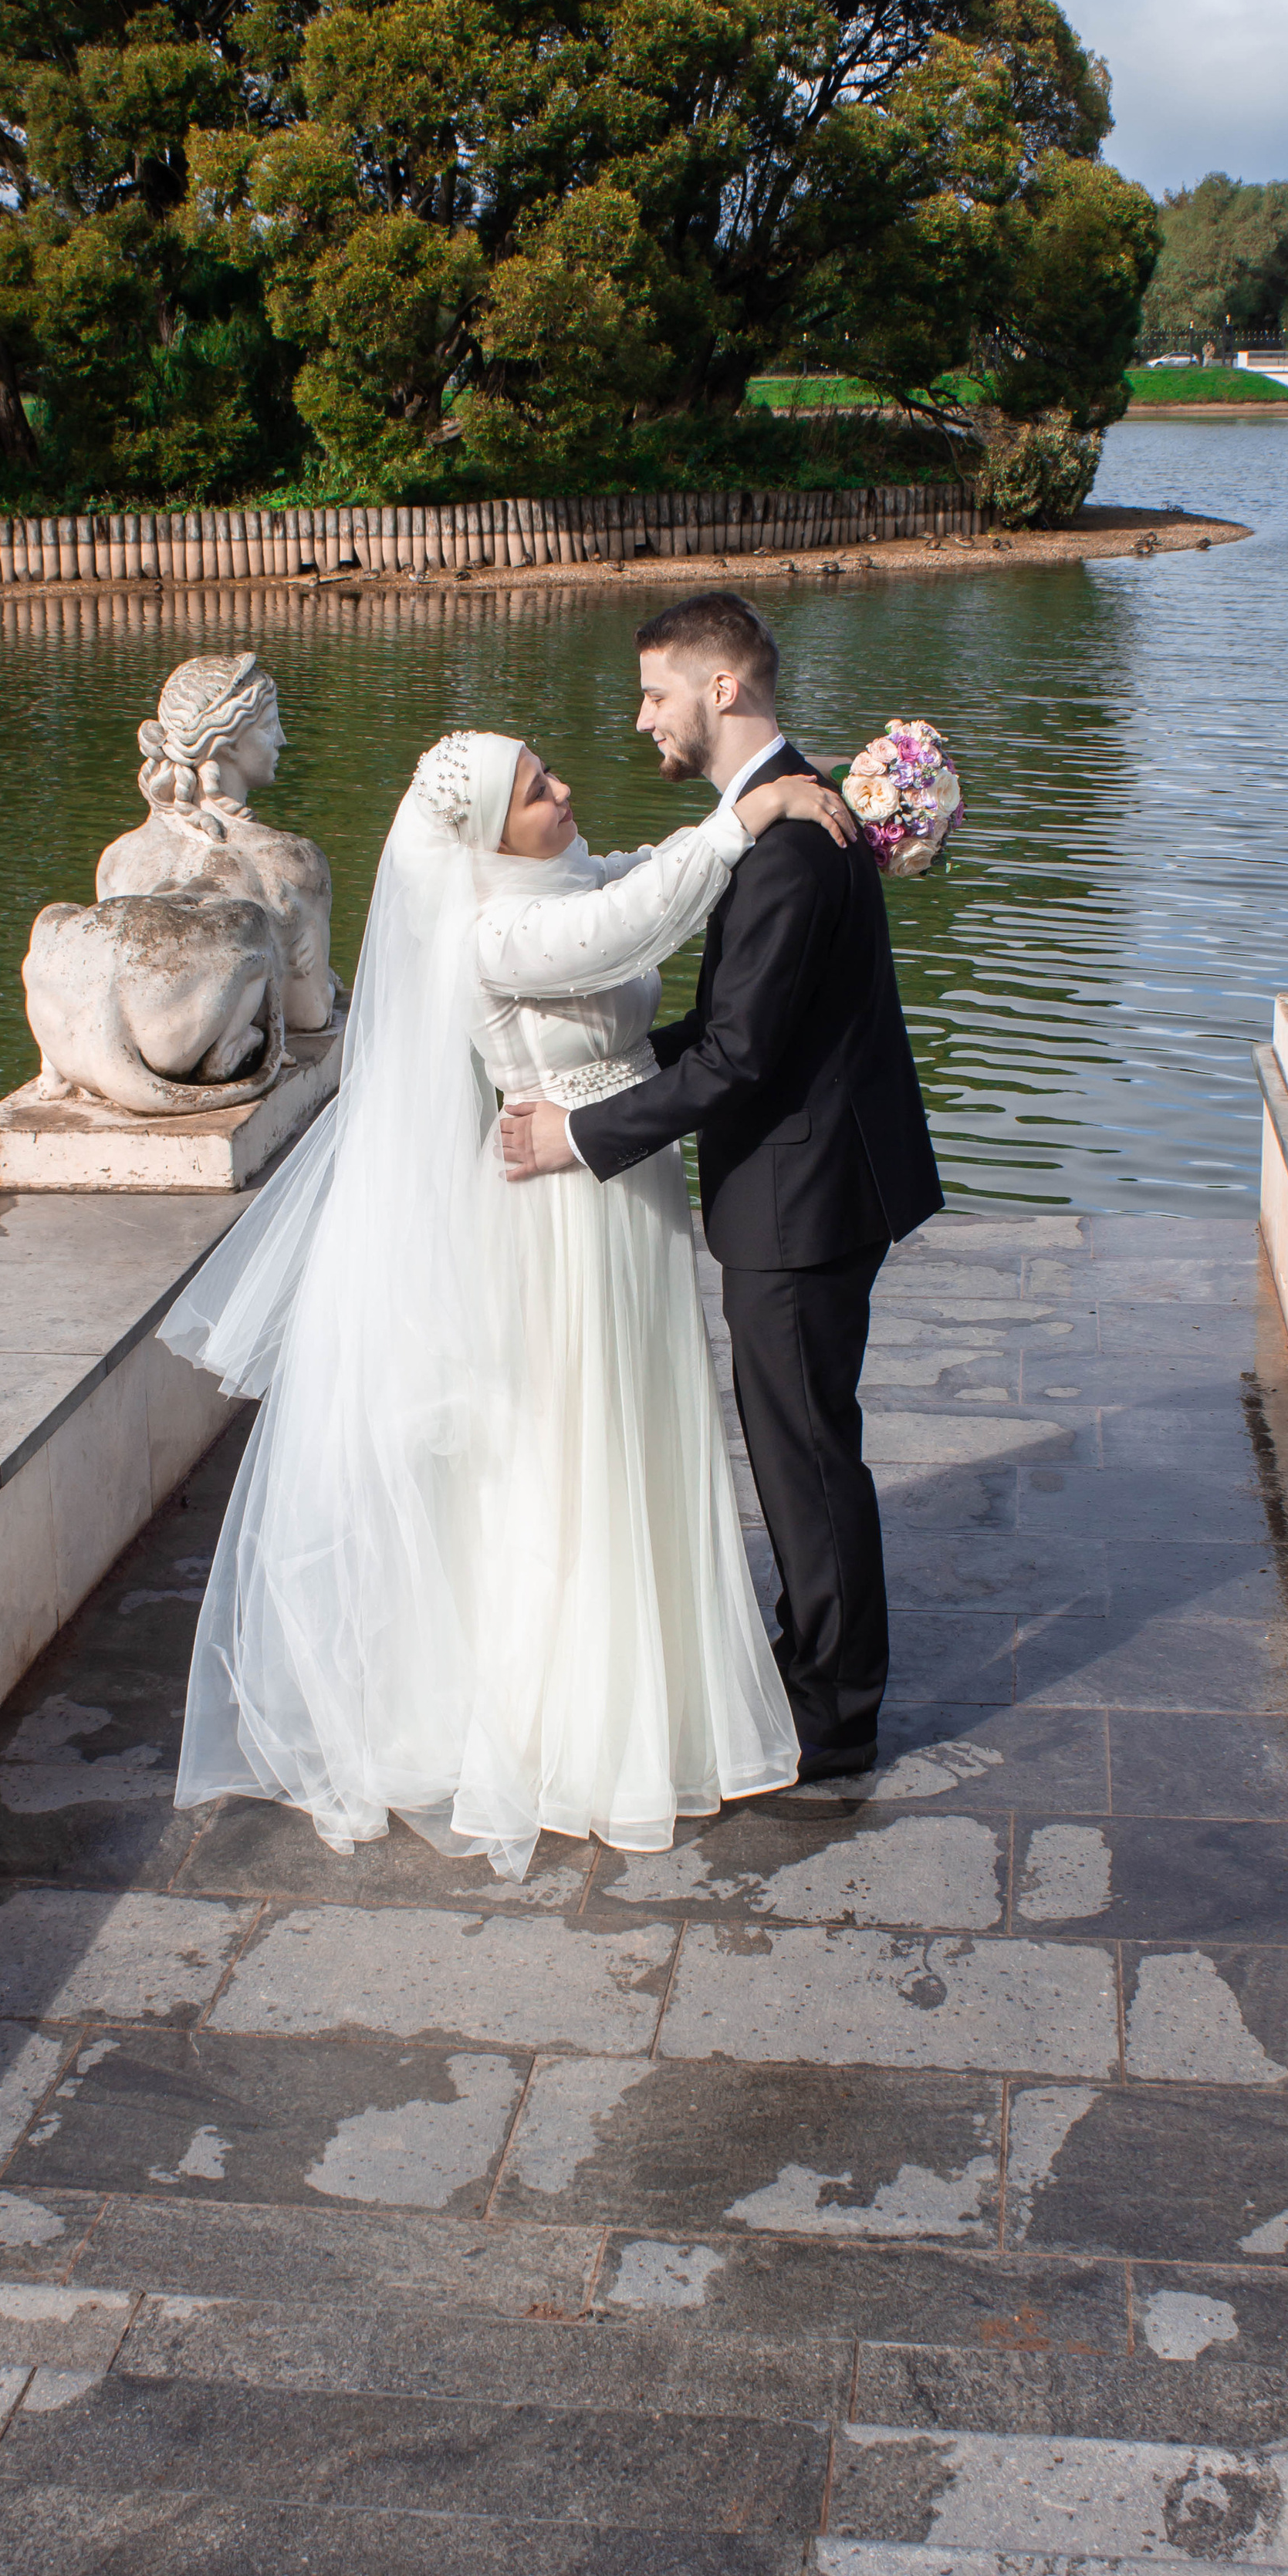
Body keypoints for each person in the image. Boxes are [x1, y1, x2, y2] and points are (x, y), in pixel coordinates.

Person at [160, 723, 854, 1879]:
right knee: (576, 1447)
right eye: (538, 788)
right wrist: (750, 814)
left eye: (548, 772)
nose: (564, 788)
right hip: (565, 1212)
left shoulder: (561, 876)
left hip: (622, 1187)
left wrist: (775, 797)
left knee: (636, 1430)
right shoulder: (495, 932)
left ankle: (654, 1678)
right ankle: (571, 1719)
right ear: (488, 831)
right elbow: (635, 920)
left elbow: (640, 873)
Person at [502, 593, 942, 1781]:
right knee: (803, 1441)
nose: (642, 718)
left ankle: (836, 1712)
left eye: (657, 693)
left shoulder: (791, 843)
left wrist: (580, 1134)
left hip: (804, 1197)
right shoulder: (783, 814)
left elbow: (739, 1059)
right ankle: (815, 1655)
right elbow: (736, 1025)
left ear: (722, 689)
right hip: (818, 1177)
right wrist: (611, 1072)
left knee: (806, 1455)